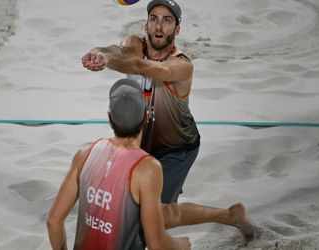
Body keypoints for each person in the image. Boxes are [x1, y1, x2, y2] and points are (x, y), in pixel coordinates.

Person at [81, 0, 255, 242]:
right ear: (146, 25)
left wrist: (110, 60)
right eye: (154, 19)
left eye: (167, 20)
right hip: (143, 146)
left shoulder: (182, 65)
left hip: (177, 149)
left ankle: (190, 240)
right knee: (163, 214)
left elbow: (139, 65)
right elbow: (118, 52)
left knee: (149, 218)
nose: (159, 26)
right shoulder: (133, 44)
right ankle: (230, 215)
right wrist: (100, 53)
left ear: (177, 29)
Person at [47, 78, 191, 250]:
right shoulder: (148, 168)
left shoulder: (85, 153)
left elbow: (53, 222)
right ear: (146, 117)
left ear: (110, 118)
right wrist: (180, 245)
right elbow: (156, 243)